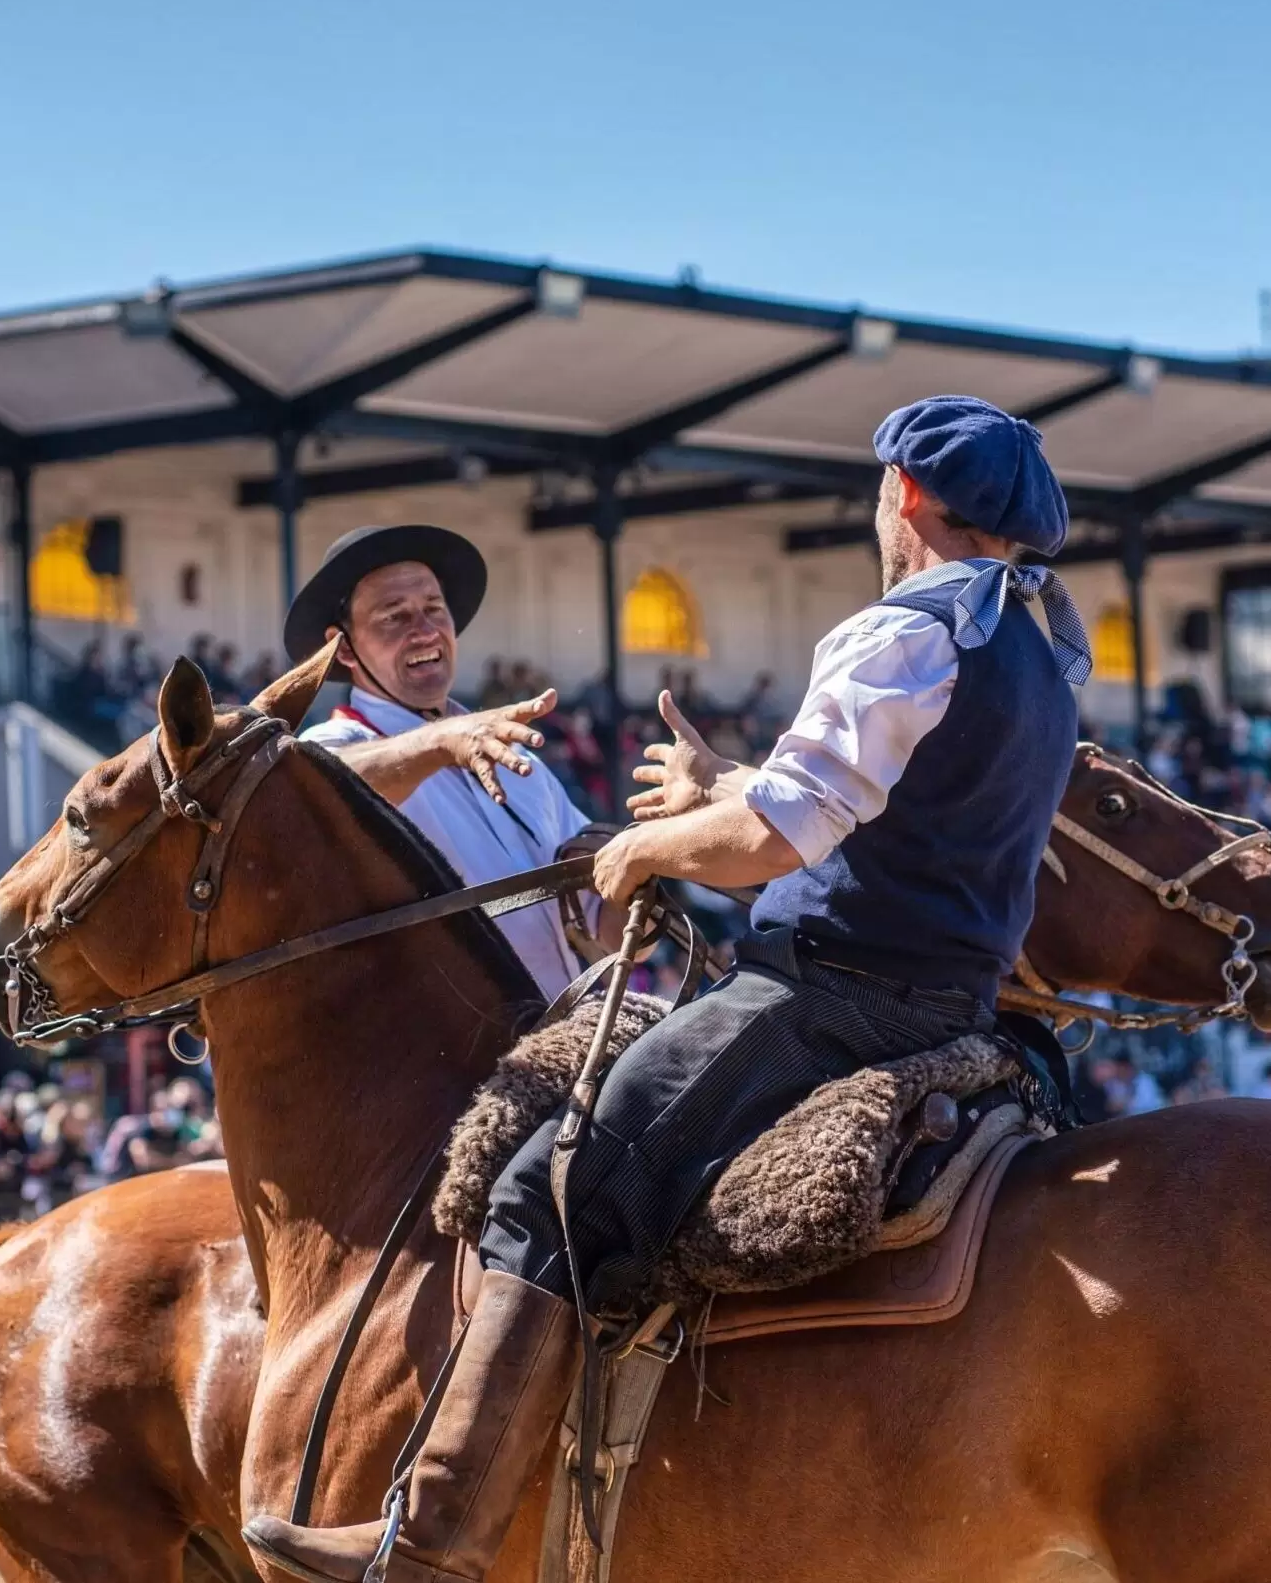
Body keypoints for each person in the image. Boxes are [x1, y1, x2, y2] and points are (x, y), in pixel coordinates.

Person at [248, 394, 1089, 1582]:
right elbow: (886, 809)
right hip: (947, 995)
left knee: (548, 1183)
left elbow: (772, 846)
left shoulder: (897, 628)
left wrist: (651, 847)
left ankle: (431, 1541)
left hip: (832, 990)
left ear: (901, 496)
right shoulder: (1044, 641)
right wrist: (723, 782)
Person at [290, 524, 628, 1000]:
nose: (425, 631)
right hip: (447, 1063)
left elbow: (604, 930)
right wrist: (442, 740)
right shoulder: (334, 741)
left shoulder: (521, 762)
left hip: (571, 1040)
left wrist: (650, 863)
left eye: (434, 609)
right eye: (394, 616)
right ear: (344, 648)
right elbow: (318, 788)